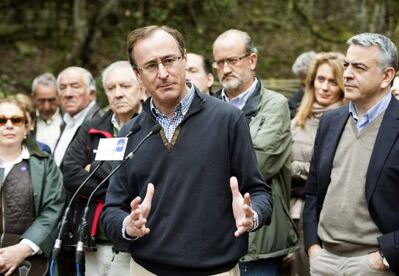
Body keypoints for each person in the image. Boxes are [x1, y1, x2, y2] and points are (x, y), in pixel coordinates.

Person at [101, 25, 272, 276]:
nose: (162, 73)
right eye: (150, 66)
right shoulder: (130, 133)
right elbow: (111, 211)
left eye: (169, 60)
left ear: (184, 59)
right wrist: (128, 224)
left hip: (216, 270)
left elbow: (260, 193)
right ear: (138, 75)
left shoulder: (228, 120)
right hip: (147, 270)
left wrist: (252, 215)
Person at [303, 33, 399, 275]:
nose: (348, 74)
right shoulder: (331, 120)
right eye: (347, 65)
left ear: (387, 76)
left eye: (359, 67)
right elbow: (313, 189)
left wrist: (385, 256)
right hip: (324, 260)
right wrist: (313, 246)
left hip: (375, 265)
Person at [213, 29, 297, 276]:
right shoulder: (207, 107)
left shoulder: (275, 105)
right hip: (216, 239)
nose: (226, 68)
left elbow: (258, 164)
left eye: (233, 60)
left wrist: (208, 163)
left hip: (259, 239)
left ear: (252, 60)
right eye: (220, 62)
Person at [62, 61, 145, 276]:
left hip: (134, 246)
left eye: (125, 86)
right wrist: (120, 186)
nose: (118, 94)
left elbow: (144, 179)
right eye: (111, 88)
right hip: (92, 242)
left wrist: (92, 167)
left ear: (141, 87)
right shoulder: (93, 126)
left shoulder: (149, 126)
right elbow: (70, 174)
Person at [289, 52, 345, 276]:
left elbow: (327, 171)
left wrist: (290, 170)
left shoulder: (344, 119)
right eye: (320, 79)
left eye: (332, 81)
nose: (324, 87)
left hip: (319, 217)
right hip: (289, 212)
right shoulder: (298, 119)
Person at [0, 97, 65, 275]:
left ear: (27, 126)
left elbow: (52, 209)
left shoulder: (45, 164)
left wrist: (23, 249)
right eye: (1, 120)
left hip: (32, 262)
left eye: (16, 120)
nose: (8, 125)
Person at [54, 66, 102, 167]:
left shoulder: (100, 124)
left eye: (75, 87)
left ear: (92, 93)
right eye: (62, 88)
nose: (68, 94)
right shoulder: (66, 122)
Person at [31, 73, 63, 152]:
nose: (46, 107)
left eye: (51, 100)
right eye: (41, 101)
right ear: (33, 98)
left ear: (59, 97)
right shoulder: (26, 121)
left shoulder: (68, 121)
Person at [288, 51, 317, 118]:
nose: (303, 81)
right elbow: (290, 109)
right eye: (301, 77)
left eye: (304, 76)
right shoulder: (300, 92)